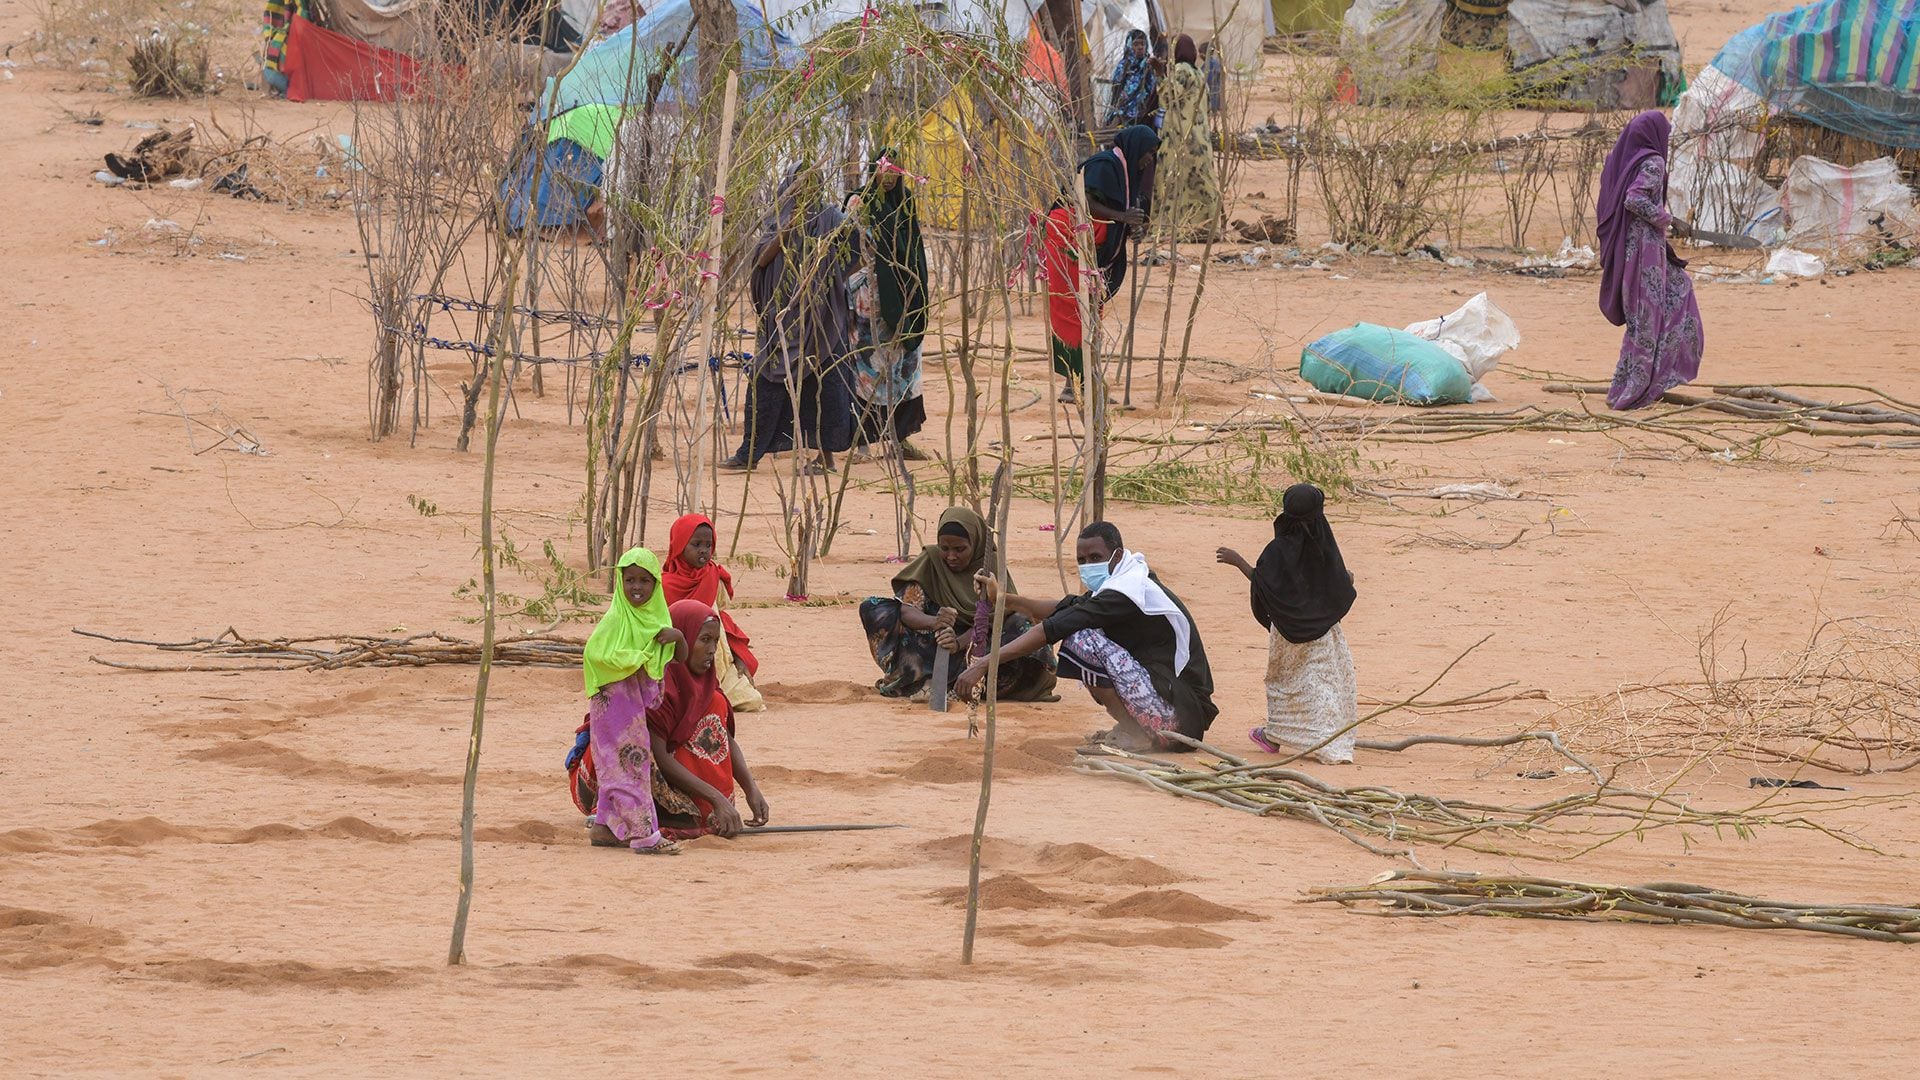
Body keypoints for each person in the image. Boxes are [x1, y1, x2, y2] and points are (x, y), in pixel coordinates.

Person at [956, 521, 1216, 751]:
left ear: (1117, 556)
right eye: (1082, 561)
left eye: (1095, 557)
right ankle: (1133, 729)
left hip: (1178, 720)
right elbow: (1066, 607)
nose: (1088, 566)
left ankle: (1135, 732)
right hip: (1176, 712)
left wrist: (983, 663)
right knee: (1078, 628)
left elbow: (1054, 627)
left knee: (1081, 639)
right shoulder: (1126, 581)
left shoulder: (1126, 591)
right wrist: (1001, 598)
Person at [726, 164, 857, 472]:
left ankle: (826, 459)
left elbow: (857, 250)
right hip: (783, 320)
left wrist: (831, 283)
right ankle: (749, 454)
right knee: (764, 381)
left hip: (823, 322)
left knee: (827, 387)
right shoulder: (778, 218)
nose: (803, 188)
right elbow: (761, 260)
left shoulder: (831, 218)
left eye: (811, 182)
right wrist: (788, 229)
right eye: (798, 182)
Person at [1216, 484, 1359, 764]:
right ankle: (1326, 738)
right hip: (1324, 635)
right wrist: (1347, 580)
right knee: (1323, 683)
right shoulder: (1324, 543)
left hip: (1287, 635)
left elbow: (1266, 584)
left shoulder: (1278, 550)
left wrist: (1239, 562)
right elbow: (1339, 584)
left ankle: (1279, 735)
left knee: (1287, 683)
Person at [859, 507, 1057, 701]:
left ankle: (978, 686)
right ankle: (916, 679)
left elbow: (997, 618)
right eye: (944, 548)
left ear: (976, 543)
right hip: (934, 645)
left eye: (960, 549)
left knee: (1023, 623)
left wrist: (959, 643)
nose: (951, 556)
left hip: (979, 649)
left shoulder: (990, 566)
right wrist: (934, 622)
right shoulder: (931, 560)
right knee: (875, 607)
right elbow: (907, 610)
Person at [1042, 125, 1160, 403]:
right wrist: (1122, 217)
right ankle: (1076, 385)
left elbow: (1131, 215)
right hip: (1068, 240)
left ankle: (1084, 383)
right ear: (1135, 148)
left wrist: (1135, 226)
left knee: (1091, 311)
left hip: (1090, 249)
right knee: (1072, 310)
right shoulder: (1104, 166)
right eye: (1148, 153)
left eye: (1153, 154)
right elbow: (1083, 200)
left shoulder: (1129, 176)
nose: (1149, 160)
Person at [579, 548, 686, 854]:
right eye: (630, 580)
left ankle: (603, 827)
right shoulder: (616, 618)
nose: (636, 587)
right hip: (613, 711)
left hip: (632, 712)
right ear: (620, 582)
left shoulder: (653, 619)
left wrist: (677, 636)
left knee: (617, 768)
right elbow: (595, 654)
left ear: (656, 585)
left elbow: (676, 657)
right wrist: (634, 657)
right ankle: (643, 836)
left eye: (644, 581)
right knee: (630, 767)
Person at [1596, 111, 1703, 410]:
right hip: (1646, 252)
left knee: (1642, 317)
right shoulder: (1653, 162)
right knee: (1649, 317)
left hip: (1631, 250)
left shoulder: (1623, 162)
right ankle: (1639, 389)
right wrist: (1667, 219)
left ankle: (1626, 387)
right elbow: (1635, 199)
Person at [648, 600, 771, 840]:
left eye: (715, 641)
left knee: (715, 702)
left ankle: (705, 808)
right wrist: (715, 797)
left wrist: (750, 788)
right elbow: (659, 757)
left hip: (707, 796)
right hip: (660, 784)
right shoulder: (658, 688)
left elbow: (722, 737)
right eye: (704, 640)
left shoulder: (708, 686)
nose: (712, 650)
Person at [845, 148, 931, 461]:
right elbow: (849, 250)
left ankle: (901, 439)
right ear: (875, 171)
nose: (891, 177)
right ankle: (862, 442)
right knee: (866, 369)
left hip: (904, 295)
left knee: (906, 366)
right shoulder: (859, 202)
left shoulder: (905, 203)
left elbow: (914, 247)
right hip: (870, 299)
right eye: (886, 170)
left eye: (897, 170)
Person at [661, 513, 764, 713]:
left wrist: (739, 656)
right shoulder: (664, 586)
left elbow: (722, 619)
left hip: (717, 658)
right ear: (680, 544)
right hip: (680, 659)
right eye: (696, 544)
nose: (703, 551)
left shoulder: (713, 576)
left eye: (708, 545)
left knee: (751, 701)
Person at [1156, 35, 1222, 243]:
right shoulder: (1198, 73)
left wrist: (1159, 74)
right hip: (1200, 142)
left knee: (1175, 185)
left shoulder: (1181, 71)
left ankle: (1176, 228)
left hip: (1180, 140)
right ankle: (1205, 228)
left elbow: (1169, 97)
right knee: (1201, 184)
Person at [1106, 30, 1159, 128]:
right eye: (1136, 44)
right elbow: (1116, 91)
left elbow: (1154, 90)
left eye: (1142, 44)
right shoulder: (1123, 66)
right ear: (1129, 46)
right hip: (1124, 115)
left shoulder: (1150, 66)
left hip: (1144, 115)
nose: (1140, 47)